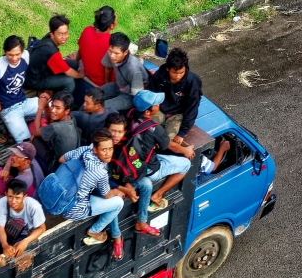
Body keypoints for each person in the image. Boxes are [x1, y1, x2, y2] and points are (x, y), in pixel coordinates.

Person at [119, 90, 195, 228]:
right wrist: (186, 150)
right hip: (149, 170)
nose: (159, 104)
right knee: (185, 164)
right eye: (156, 104)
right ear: (148, 112)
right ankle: (158, 195)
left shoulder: (129, 115)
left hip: (131, 162)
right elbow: (171, 146)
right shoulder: (155, 128)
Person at [59, 131, 127, 259]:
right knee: (118, 202)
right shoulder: (99, 172)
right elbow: (107, 195)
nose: (108, 153)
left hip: (62, 201)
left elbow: (62, 159)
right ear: (95, 150)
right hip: (75, 210)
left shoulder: (83, 150)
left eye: (110, 149)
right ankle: (94, 231)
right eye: (104, 150)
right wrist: (117, 192)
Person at [0, 36, 42, 144]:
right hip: (9, 109)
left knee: (51, 107)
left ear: (22, 52)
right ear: (5, 52)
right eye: (10, 55)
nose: (14, 58)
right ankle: (12, 125)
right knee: (26, 143)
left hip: (24, 101)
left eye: (17, 54)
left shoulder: (26, 56)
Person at [0, 178, 46, 260]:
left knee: (14, 256)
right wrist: (5, 245)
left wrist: (25, 242)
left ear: (24, 197)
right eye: (10, 197)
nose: (13, 201)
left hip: (25, 236)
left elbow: (42, 228)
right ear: (6, 194)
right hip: (7, 231)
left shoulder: (34, 206)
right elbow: (0, 227)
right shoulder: (1, 203)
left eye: (17, 198)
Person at [146, 47, 203, 147]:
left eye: (181, 73)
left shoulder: (193, 82)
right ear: (168, 69)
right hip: (160, 109)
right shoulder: (159, 75)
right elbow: (151, 94)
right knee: (148, 131)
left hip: (178, 114)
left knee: (166, 141)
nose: (178, 76)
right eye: (175, 73)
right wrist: (152, 108)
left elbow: (192, 108)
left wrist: (182, 133)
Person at [28, 15, 83, 94]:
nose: (64, 37)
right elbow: (69, 72)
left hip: (44, 69)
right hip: (35, 80)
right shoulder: (51, 51)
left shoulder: (48, 38)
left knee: (73, 63)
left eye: (66, 33)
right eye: (60, 34)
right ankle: (59, 101)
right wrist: (80, 75)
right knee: (69, 82)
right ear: (52, 34)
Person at [73, 6, 116, 101]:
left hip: (87, 75)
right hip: (101, 83)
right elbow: (108, 69)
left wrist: (76, 62)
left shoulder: (87, 30)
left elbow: (80, 50)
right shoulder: (111, 43)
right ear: (111, 25)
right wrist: (106, 87)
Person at [31, 93, 79, 173]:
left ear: (67, 111)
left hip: (57, 167)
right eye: (52, 106)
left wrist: (40, 108)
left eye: (57, 108)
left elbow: (36, 132)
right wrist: (46, 106)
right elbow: (50, 121)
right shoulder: (71, 119)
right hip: (70, 162)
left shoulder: (56, 127)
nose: (53, 110)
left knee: (34, 138)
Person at [99, 32, 145, 112]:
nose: (112, 56)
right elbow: (108, 68)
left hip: (130, 95)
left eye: (116, 53)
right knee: (93, 96)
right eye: (110, 51)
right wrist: (107, 84)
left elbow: (138, 95)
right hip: (118, 86)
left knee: (102, 107)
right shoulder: (111, 53)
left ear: (126, 52)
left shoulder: (133, 69)